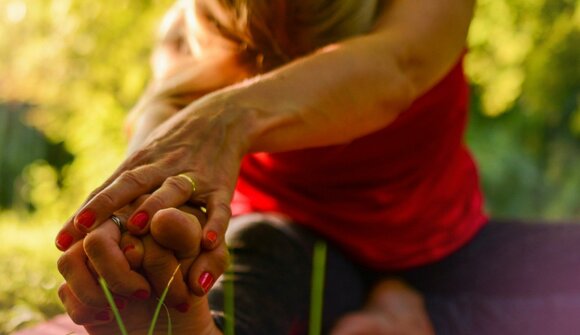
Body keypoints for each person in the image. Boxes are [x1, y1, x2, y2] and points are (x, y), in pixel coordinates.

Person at [55, 0, 580, 334]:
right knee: (253, 264)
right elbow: (157, 120)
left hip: (445, 245)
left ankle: (418, 319)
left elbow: (395, 69)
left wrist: (223, 118)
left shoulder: (427, 13)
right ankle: (196, 324)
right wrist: (134, 221)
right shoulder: (194, 32)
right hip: (293, 238)